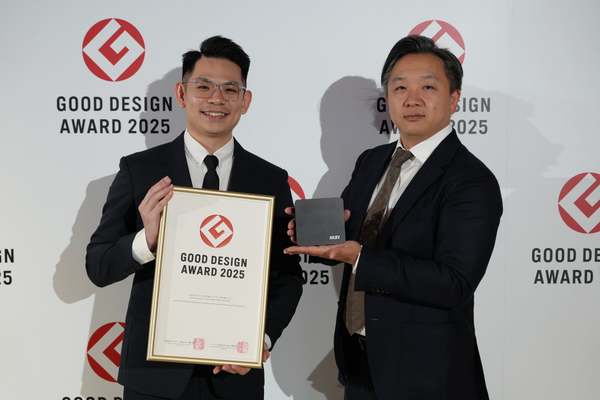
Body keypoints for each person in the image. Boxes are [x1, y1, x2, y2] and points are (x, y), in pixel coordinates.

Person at [284, 35, 502, 400]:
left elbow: (454, 282)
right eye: (400, 87)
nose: (412, 99)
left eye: (427, 87)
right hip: (360, 366)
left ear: (454, 99)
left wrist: (360, 258)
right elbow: (347, 234)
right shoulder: (371, 161)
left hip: (429, 377)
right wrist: (313, 234)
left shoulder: (471, 180)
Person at [86, 36, 303, 400]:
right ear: (182, 94)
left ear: (245, 101)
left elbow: (287, 277)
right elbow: (98, 266)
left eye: (230, 89)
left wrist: (260, 339)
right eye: (203, 87)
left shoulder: (269, 180)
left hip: (235, 377)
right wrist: (147, 240)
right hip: (154, 378)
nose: (216, 99)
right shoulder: (141, 170)